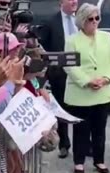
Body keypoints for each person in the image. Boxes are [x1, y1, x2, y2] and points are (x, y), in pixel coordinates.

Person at [63, 3, 110, 173]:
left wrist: (106, 79)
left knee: (99, 129)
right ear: (82, 21)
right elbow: (69, 66)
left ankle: (99, 160)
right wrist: (87, 81)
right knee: (81, 129)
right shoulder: (72, 40)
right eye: (90, 19)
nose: (95, 22)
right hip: (81, 92)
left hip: (102, 91)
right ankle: (79, 162)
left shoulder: (106, 37)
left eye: (97, 18)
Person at [41, 0, 78, 159]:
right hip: (59, 75)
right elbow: (43, 49)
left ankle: (84, 145)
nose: (74, 1)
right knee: (62, 110)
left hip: (81, 73)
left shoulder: (83, 21)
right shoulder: (50, 23)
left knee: (81, 109)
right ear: (61, 2)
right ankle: (64, 144)